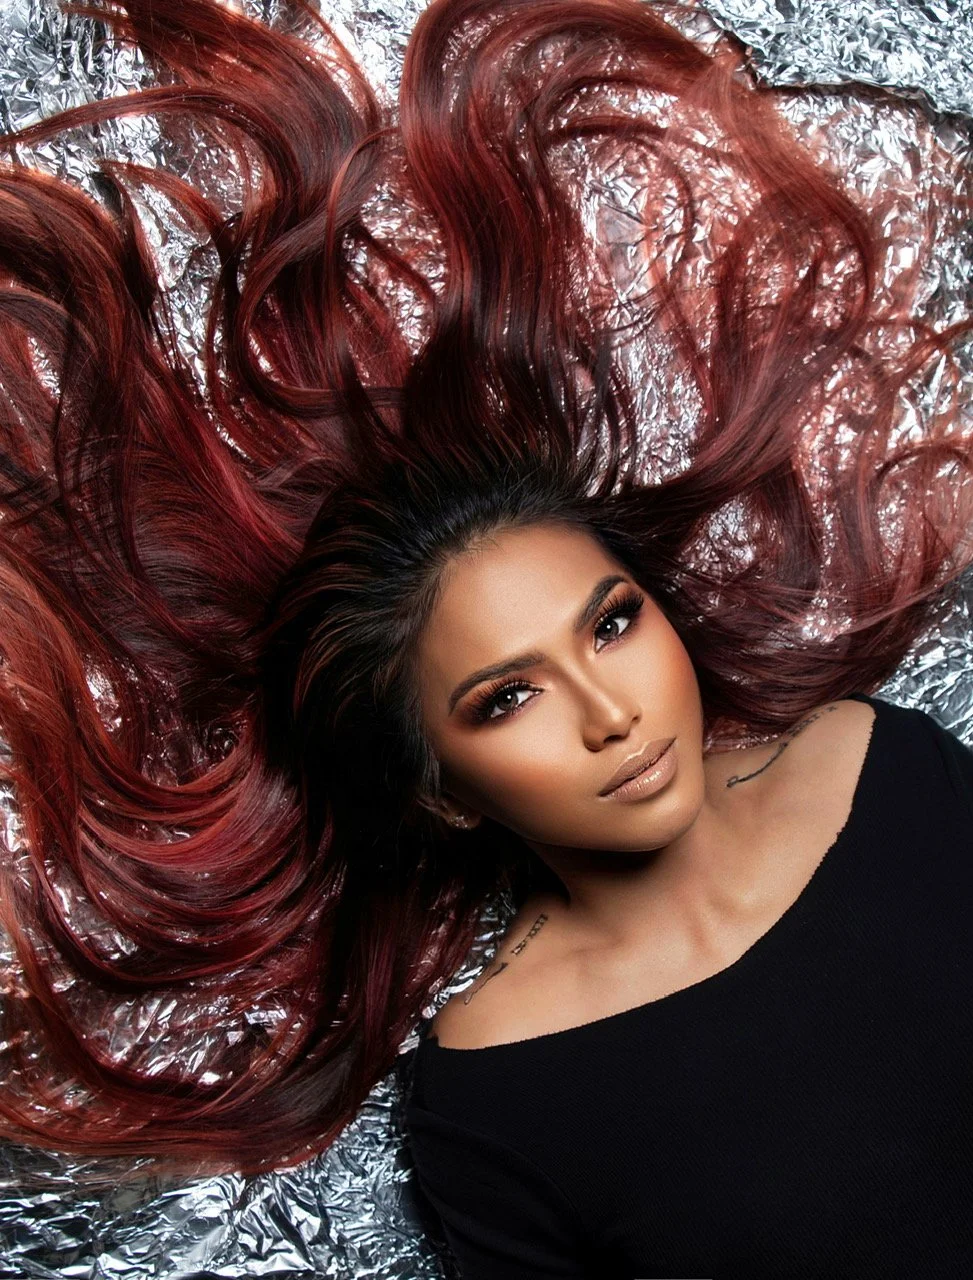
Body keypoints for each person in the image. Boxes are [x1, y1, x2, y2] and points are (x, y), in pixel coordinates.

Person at [0, 0, 970, 1275]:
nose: (609, 710)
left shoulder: (886, 769)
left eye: (611, 623)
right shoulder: (501, 1096)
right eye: (505, 700)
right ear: (441, 793)